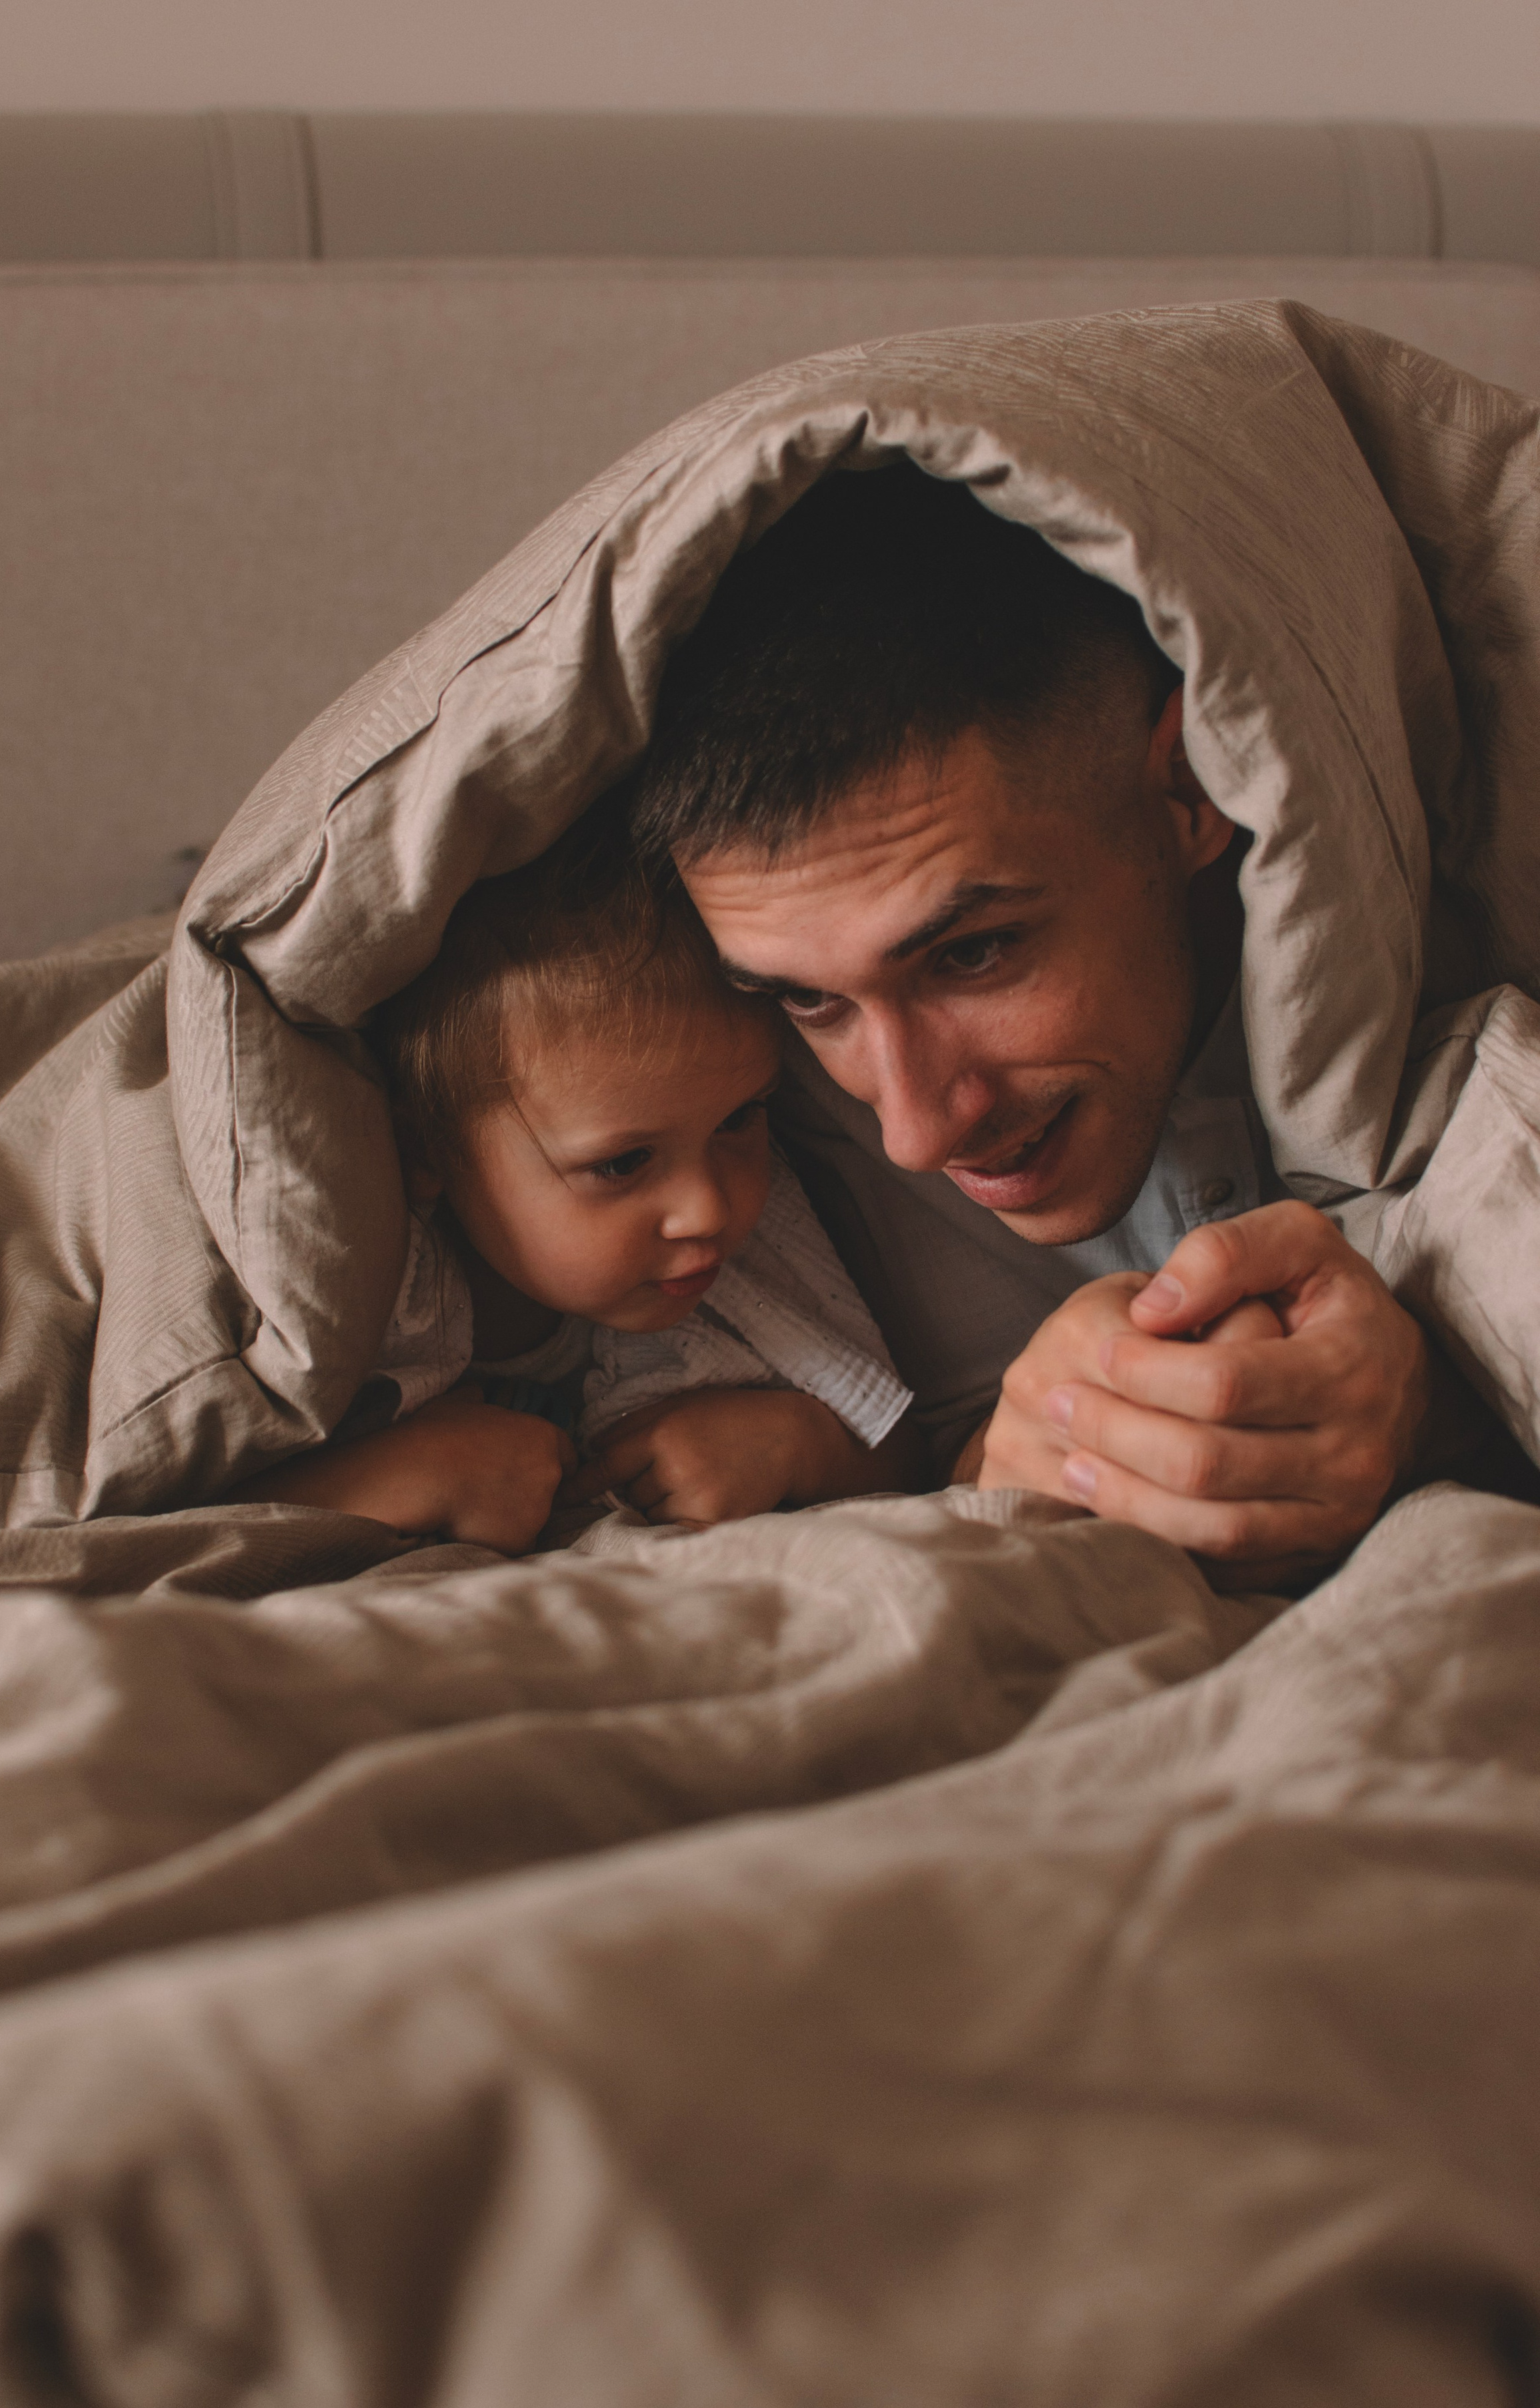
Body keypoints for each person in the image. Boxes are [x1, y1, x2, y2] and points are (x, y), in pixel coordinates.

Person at [626, 460, 1513, 1590]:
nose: (912, 1131)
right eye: (812, 999)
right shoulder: (752, 1119)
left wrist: (1437, 1400)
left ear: (1193, 790)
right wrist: (1006, 1455)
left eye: (973, 953)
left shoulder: (1453, 939)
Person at [233, 834, 916, 1551]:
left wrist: (801, 1443)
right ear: (426, 1152)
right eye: (623, 1165)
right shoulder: (360, 1298)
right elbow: (152, 1519)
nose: (709, 1209)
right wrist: (398, 1472)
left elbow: (900, 1438)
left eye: (739, 1119)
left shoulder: (748, 1240)